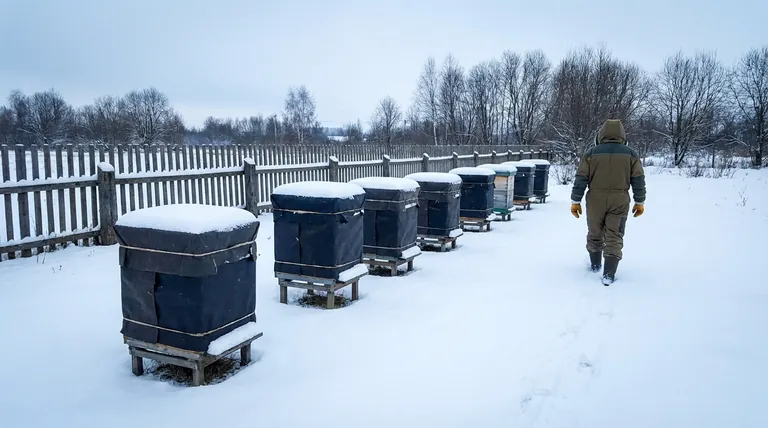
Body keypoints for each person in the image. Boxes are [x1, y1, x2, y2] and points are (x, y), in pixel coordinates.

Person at [569, 119, 646, 285]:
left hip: (595, 199)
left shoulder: (591, 153)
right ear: (623, 136)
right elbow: (638, 179)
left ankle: (595, 265)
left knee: (595, 232)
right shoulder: (631, 154)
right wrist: (639, 201)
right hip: (620, 199)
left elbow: (581, 177)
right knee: (614, 235)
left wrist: (576, 200)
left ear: (601, 135)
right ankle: (608, 274)